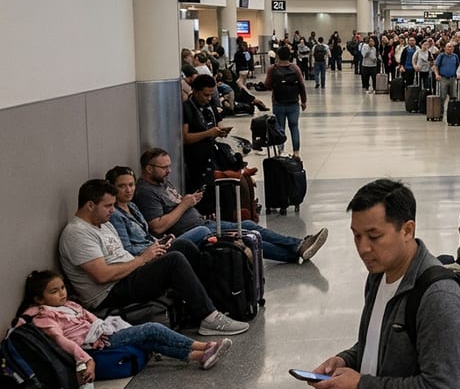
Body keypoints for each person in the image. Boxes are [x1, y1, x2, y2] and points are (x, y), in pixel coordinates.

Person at [311, 179, 460, 389]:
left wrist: (362, 388)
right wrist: (348, 359)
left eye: (374, 236)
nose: (362, 248)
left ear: (407, 230)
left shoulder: (438, 297)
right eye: (356, 235)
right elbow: (380, 343)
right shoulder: (378, 276)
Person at [59, 180, 249, 336]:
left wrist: (151, 252)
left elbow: (121, 256)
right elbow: (101, 275)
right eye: (107, 206)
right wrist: (142, 260)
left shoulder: (103, 223)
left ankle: (214, 304)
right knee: (174, 260)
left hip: (128, 274)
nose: (112, 210)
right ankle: (209, 317)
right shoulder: (77, 233)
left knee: (182, 246)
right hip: (110, 292)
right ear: (90, 205)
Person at [134, 149, 328, 264]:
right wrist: (185, 205)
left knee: (248, 227)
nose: (169, 171)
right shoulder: (145, 192)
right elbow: (158, 226)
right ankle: (297, 247)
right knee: (248, 232)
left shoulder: (162, 183)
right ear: (149, 169)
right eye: (164, 168)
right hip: (193, 232)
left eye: (169, 166)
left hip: (201, 222)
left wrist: (191, 202)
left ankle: (296, 250)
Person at [17, 270, 232, 373]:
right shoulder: (44, 317)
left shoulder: (69, 306)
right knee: (152, 329)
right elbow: (63, 341)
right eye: (54, 292)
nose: (61, 294)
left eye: (62, 288)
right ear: (38, 299)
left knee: (150, 342)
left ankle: (200, 356)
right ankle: (206, 346)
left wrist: (105, 325)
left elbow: (91, 318)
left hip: (103, 333)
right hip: (95, 346)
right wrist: (85, 360)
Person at [180, 74, 233, 197]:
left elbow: (218, 122)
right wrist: (207, 133)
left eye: (211, 94)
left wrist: (221, 130)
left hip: (213, 154)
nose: (209, 98)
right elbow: (185, 138)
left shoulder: (210, 106)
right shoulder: (187, 108)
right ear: (195, 91)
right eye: (206, 95)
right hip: (196, 159)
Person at [265, 46, 307, 159]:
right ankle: (296, 152)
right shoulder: (295, 68)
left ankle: (281, 151)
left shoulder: (272, 69)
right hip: (293, 103)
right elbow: (302, 85)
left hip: (278, 103)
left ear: (278, 56)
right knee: (294, 127)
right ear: (290, 56)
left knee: (280, 127)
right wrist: (303, 101)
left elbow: (267, 85)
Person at [435, 42, 459, 119]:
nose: (450, 48)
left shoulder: (455, 56)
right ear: (445, 48)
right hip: (443, 78)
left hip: (452, 78)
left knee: (453, 97)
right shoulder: (441, 56)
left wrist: (458, 75)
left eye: (451, 47)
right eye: (448, 47)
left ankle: (452, 113)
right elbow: (436, 66)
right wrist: (437, 75)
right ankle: (440, 113)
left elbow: (458, 67)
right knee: (442, 97)